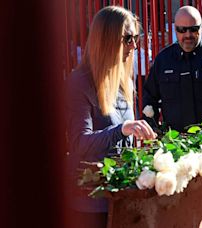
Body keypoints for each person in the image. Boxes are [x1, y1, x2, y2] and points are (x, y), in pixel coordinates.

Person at [65, 6, 157, 228]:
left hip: (121, 199)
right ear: (106, 40)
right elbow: (79, 142)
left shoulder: (123, 79)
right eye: (128, 38)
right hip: (91, 205)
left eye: (136, 37)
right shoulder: (80, 82)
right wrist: (122, 129)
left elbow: (124, 139)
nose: (134, 46)